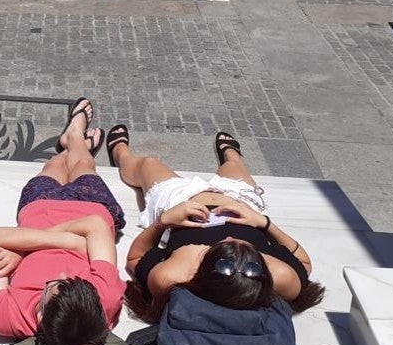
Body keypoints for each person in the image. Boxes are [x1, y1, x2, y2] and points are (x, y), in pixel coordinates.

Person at [108, 127, 326, 323]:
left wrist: (164, 221)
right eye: (247, 247)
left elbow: (135, 258)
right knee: (233, 166)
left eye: (220, 247)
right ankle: (231, 154)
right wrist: (263, 223)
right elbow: (303, 262)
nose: (229, 237)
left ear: (202, 271)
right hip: (239, 199)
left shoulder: (175, 276)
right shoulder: (279, 277)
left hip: (179, 201)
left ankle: (120, 152)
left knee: (149, 164)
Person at [0, 99, 124, 345]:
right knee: (83, 165)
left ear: (40, 316)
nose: (59, 275)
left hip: (39, 208)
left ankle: (70, 143)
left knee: (53, 166)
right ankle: (76, 137)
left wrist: (26, 249)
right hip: (90, 206)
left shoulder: (8, 317)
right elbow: (96, 224)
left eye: (52, 287)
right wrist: (24, 247)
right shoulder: (104, 302)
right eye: (72, 281)